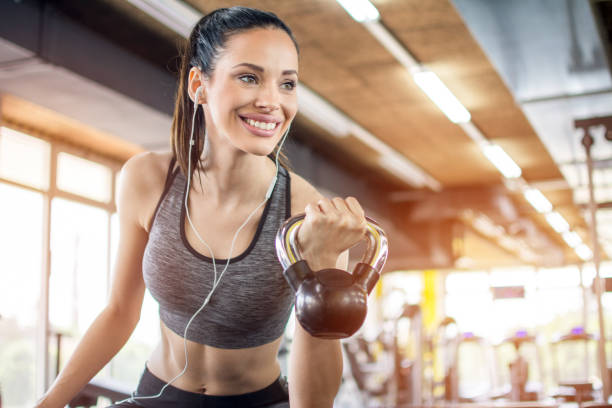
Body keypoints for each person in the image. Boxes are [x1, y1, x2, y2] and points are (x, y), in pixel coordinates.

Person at [35, 6, 367, 408]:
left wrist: (325, 267)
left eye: (287, 84)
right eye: (249, 77)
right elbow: (121, 311)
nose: (271, 101)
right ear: (199, 85)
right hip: (158, 393)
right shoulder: (147, 180)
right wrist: (48, 403)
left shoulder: (307, 212)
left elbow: (312, 404)